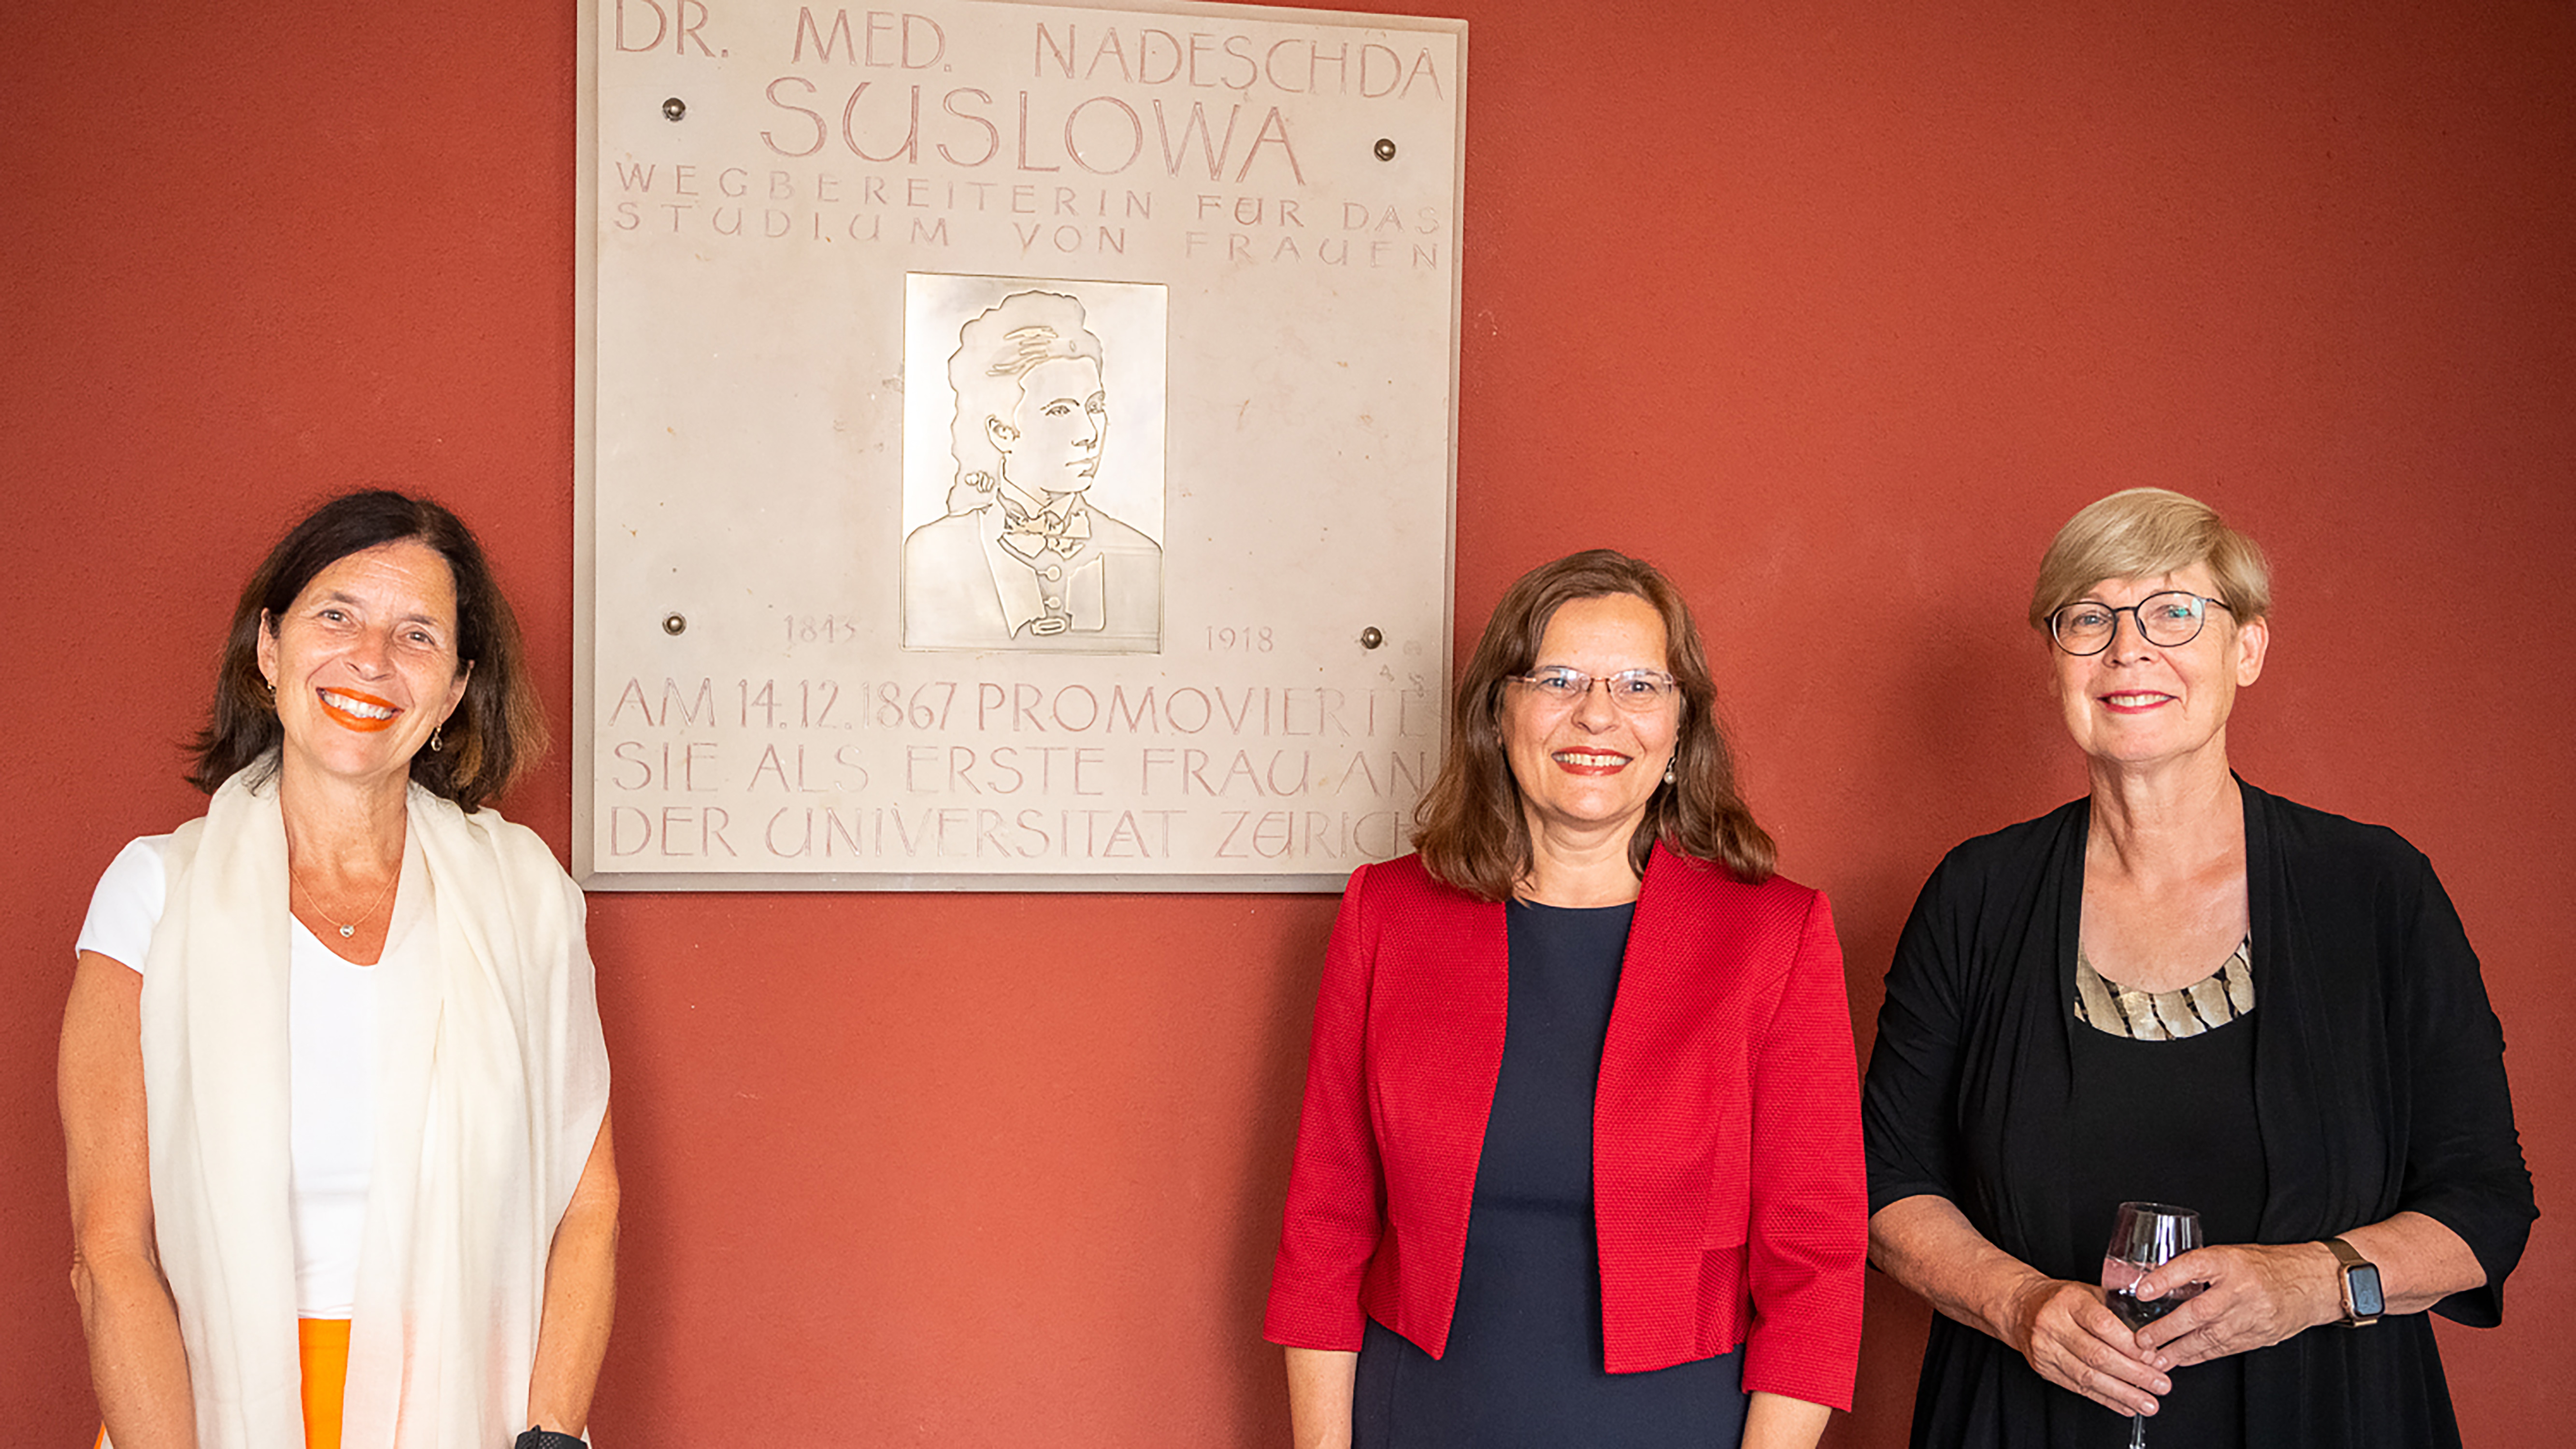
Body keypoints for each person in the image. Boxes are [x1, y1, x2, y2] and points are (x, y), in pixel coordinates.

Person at [1860, 488, 2535, 1448]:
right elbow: (1883, 1184)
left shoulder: (2375, 890)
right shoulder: (1977, 896)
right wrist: (2017, 1306)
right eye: (2086, 619)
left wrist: (2311, 1284)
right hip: (2022, 1422)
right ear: (2055, 661)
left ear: (2246, 650)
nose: (2127, 649)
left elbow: (2484, 1206)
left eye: (2173, 613)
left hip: (2328, 1418)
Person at [1265, 550, 1865, 1449]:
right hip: (1419, 1416)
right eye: (1557, 678)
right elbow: (1324, 1224)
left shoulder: (1772, 936)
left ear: (1678, 726)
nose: (1598, 714)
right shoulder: (1386, 913)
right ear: (1498, 713)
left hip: (1676, 1425)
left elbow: (1815, 1262)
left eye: (1637, 684)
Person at [60, 491, 616, 1449]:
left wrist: (551, 1435)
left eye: (417, 636)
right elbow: (109, 1254)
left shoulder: (525, 899)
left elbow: (588, 1208)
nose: (371, 661)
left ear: (451, 692)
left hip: (470, 1420)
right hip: (198, 1421)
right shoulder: (154, 894)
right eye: (337, 616)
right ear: (269, 649)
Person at [902, 288, 1162, 651]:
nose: (1090, 434)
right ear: (1003, 432)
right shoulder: (928, 554)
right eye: (1059, 411)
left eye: (1095, 406)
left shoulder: (1144, 557)